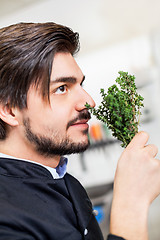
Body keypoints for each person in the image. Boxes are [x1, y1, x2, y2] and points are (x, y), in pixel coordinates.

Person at [0, 22, 159, 240]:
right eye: (62, 88)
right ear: (9, 110)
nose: (89, 102)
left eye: (80, 85)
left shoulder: (67, 182)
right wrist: (131, 205)